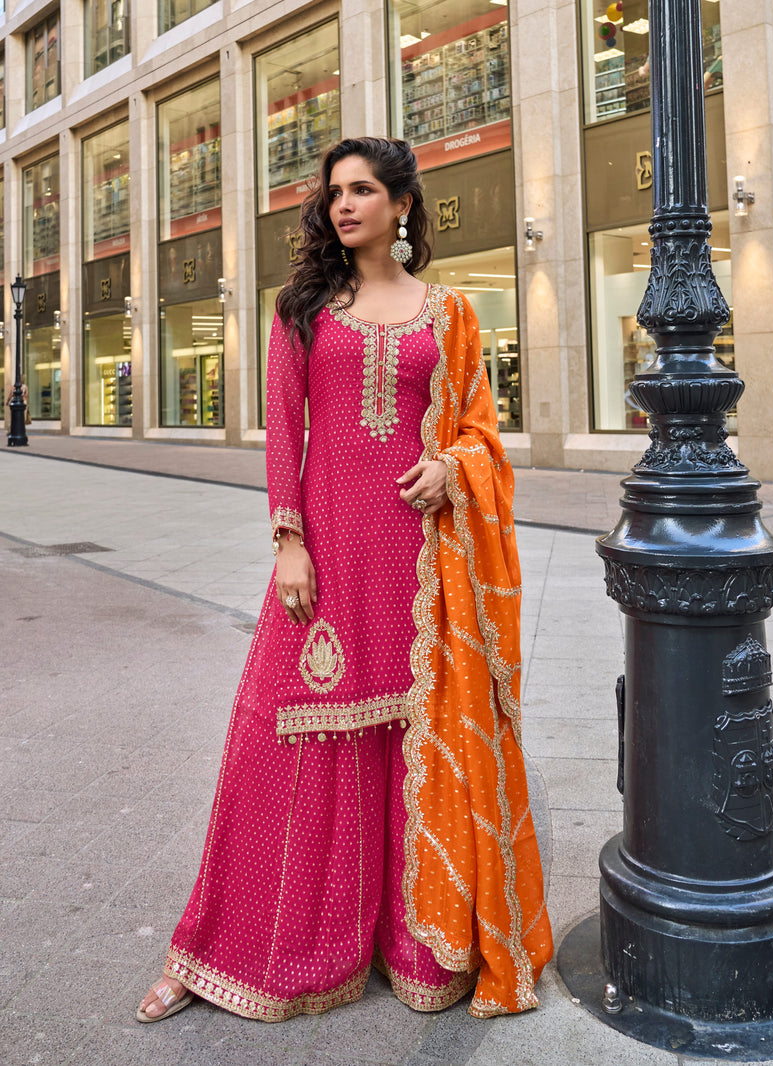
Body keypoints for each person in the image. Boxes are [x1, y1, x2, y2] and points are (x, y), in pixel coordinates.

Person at [137, 136, 552, 1025]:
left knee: (413, 736)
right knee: (280, 738)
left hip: (421, 564)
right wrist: (289, 540)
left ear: (403, 204)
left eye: (364, 190)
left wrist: (452, 467)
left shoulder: (450, 313)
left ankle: (415, 941)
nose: (345, 205)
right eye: (335, 193)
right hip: (326, 556)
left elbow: (480, 428)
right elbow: (285, 433)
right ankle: (226, 947)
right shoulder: (306, 307)